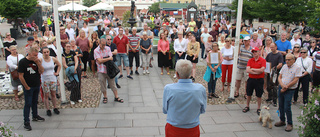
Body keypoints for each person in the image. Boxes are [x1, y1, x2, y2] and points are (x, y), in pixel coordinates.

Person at [163, 59, 206, 137]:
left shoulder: (169, 88)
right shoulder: (200, 89)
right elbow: (203, 110)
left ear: (177, 74)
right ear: (190, 73)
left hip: (174, 129)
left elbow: (165, 110)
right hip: (192, 129)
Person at [18, 46, 45, 131]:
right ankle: (26, 121)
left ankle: (35, 115)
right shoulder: (23, 62)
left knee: (34, 101)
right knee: (28, 103)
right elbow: (20, 76)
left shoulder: (37, 61)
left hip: (36, 84)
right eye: (34, 55)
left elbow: (42, 71)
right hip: (28, 85)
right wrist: (26, 86)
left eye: (37, 55)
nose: (36, 57)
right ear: (29, 53)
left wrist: (38, 63)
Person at [275, 53, 302, 132]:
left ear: (293, 60)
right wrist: (282, 85)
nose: (287, 61)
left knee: (287, 106)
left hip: (290, 89)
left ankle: (290, 123)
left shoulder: (297, 68)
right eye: (286, 59)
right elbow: (279, 77)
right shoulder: (284, 66)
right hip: (282, 87)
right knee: (281, 105)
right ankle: (282, 120)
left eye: (289, 59)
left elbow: (296, 79)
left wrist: (286, 87)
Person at [95, 38, 124, 104]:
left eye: (104, 44)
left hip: (109, 69)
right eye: (102, 45)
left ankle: (116, 97)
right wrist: (106, 59)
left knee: (112, 84)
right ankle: (105, 97)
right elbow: (99, 61)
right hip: (101, 70)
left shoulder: (108, 48)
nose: (103, 46)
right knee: (102, 84)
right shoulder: (96, 50)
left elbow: (111, 58)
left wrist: (103, 59)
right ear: (99, 43)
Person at [243, 47, 266, 116]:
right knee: (248, 93)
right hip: (251, 79)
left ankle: (258, 107)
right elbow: (247, 70)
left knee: (259, 94)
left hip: (259, 80)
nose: (254, 53)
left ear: (258, 52)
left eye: (255, 51)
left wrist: (253, 69)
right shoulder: (250, 60)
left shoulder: (262, 60)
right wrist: (257, 71)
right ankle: (247, 106)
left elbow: (262, 70)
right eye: (253, 52)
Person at [40, 47, 61, 116]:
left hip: (52, 78)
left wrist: (57, 72)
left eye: (47, 52)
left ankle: (55, 107)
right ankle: (48, 109)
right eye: (44, 52)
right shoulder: (41, 60)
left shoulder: (53, 59)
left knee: (53, 94)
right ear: (42, 53)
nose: (46, 54)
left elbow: (59, 65)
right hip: (45, 79)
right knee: (46, 94)